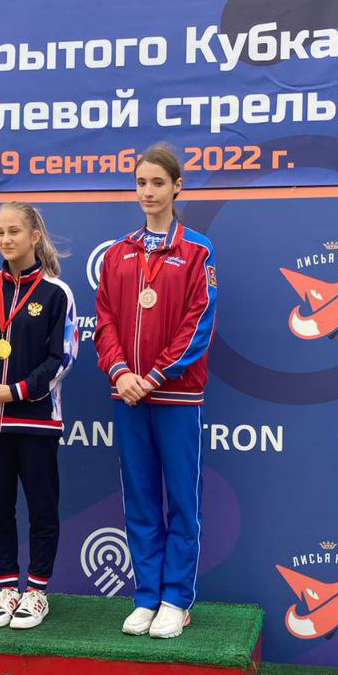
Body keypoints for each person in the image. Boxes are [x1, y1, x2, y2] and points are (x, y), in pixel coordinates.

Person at [94, 145, 218, 639]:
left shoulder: (197, 252)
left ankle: (176, 599)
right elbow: (104, 319)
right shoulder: (118, 253)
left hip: (175, 395)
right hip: (128, 395)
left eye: (158, 183)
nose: (148, 191)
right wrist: (120, 371)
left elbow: (199, 322)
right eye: (141, 183)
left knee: (182, 500)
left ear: (176, 187)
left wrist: (156, 375)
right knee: (141, 499)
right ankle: (146, 596)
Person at [0, 202, 78, 629]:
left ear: (34, 236)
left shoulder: (55, 293)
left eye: (14, 231)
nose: (6, 239)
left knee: (42, 508)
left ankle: (37, 591)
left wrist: (18, 391)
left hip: (35, 417)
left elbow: (63, 358)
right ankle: (8, 588)